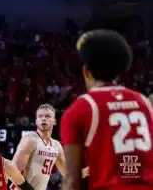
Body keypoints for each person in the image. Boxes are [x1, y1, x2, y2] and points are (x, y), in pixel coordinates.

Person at [60, 29, 153, 190]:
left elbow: (72, 181)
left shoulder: (80, 109)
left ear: (86, 71)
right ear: (121, 70)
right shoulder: (144, 102)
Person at [11, 104, 89, 190]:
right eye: (40, 116)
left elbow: (68, 174)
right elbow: (12, 171)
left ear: (54, 121)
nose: (43, 118)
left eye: (47, 116)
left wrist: (89, 170)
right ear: (36, 121)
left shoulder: (56, 146)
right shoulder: (30, 140)